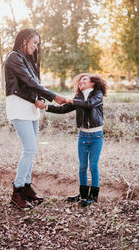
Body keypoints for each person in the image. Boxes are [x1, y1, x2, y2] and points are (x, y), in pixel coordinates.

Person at [5, 28, 67, 209]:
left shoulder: (29, 60)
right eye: (34, 43)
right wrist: (53, 96)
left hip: (30, 106)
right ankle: (17, 192)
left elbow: (34, 85)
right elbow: (29, 82)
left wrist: (37, 99)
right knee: (29, 149)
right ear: (24, 40)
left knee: (31, 150)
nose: (36, 47)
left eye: (37, 44)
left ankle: (26, 188)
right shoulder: (14, 57)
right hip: (18, 106)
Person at [36, 73, 107, 206]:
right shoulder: (78, 97)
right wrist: (46, 107)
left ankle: (94, 196)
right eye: (79, 81)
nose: (81, 82)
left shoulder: (97, 94)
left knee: (93, 166)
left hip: (96, 136)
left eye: (84, 80)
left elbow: (89, 104)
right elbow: (64, 109)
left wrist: (71, 100)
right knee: (82, 166)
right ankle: (84, 195)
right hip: (83, 136)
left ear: (93, 83)